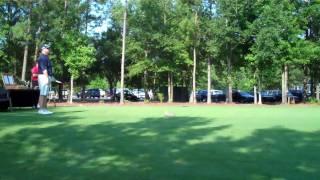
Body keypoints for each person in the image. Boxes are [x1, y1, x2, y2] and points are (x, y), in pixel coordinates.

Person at [37, 44, 53, 115]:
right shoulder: (42, 58)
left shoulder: (46, 57)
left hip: (46, 76)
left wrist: (50, 77)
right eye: (47, 48)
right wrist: (47, 78)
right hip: (43, 76)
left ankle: (45, 109)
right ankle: (41, 109)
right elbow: (44, 69)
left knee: (45, 93)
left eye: (49, 48)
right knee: (42, 93)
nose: (49, 49)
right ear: (43, 49)